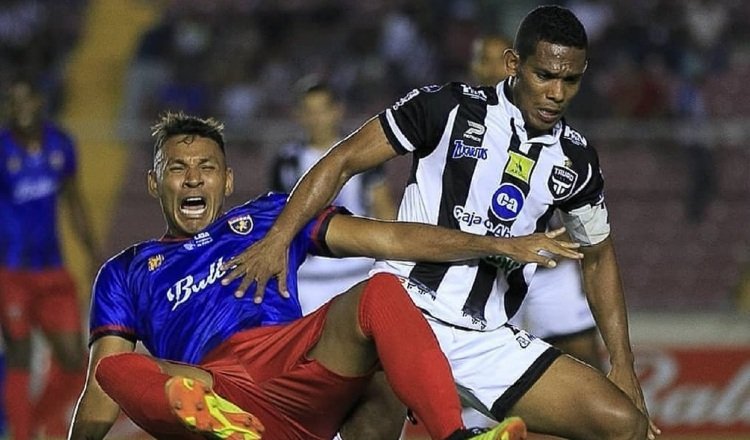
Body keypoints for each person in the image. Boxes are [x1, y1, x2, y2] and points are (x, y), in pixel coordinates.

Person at [222, 6, 660, 440]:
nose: (557, 93)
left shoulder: (576, 158)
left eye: (571, 80)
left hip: (486, 335)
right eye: (544, 75)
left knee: (625, 426)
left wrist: (622, 363)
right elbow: (342, 160)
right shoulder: (444, 107)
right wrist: (279, 237)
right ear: (514, 65)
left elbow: (599, 256)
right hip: (400, 310)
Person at [68, 111, 584, 440]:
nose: (193, 177)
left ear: (226, 180)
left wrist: (497, 244)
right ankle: (227, 428)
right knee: (115, 372)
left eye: (206, 165)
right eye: (177, 168)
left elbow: (389, 238)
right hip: (213, 386)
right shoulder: (126, 271)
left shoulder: (271, 218)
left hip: (294, 364)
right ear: (154, 182)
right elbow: (100, 391)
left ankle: (454, 437)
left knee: (380, 292)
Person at [470, 34, 602, 370]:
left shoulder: (549, 123)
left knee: (585, 361)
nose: (494, 66)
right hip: (478, 266)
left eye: (500, 58)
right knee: (474, 370)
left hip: (545, 269)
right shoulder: (463, 121)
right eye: (485, 58)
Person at [0, 79, 99, 440]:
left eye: (25, 99)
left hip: (53, 273)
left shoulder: (61, 144)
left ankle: (35, 421)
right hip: (11, 273)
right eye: (11, 101)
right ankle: (23, 434)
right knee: (20, 355)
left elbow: (74, 200)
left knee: (75, 360)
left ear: (40, 101)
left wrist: (91, 251)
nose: (19, 107)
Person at [270, 81, 396, 314]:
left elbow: (383, 207)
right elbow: (278, 215)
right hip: (309, 278)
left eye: (322, 110)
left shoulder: (363, 154)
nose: (316, 118)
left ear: (337, 110)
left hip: (358, 271)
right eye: (309, 111)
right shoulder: (286, 160)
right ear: (299, 115)